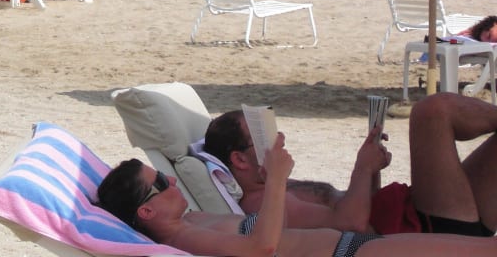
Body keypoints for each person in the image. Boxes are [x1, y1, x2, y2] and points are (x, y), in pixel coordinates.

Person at [95, 141, 497, 257]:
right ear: (146, 211)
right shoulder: (183, 239)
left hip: (358, 246)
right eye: (161, 183)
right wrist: (276, 182)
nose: (171, 180)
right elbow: (261, 246)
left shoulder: (194, 220)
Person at [202, 92, 497, 236]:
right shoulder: (262, 203)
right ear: (239, 159)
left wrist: (370, 168)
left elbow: (359, 207)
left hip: (413, 213)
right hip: (421, 230)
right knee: (433, 111)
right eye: (264, 135)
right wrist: (362, 167)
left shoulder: (277, 185)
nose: (279, 138)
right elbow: (351, 226)